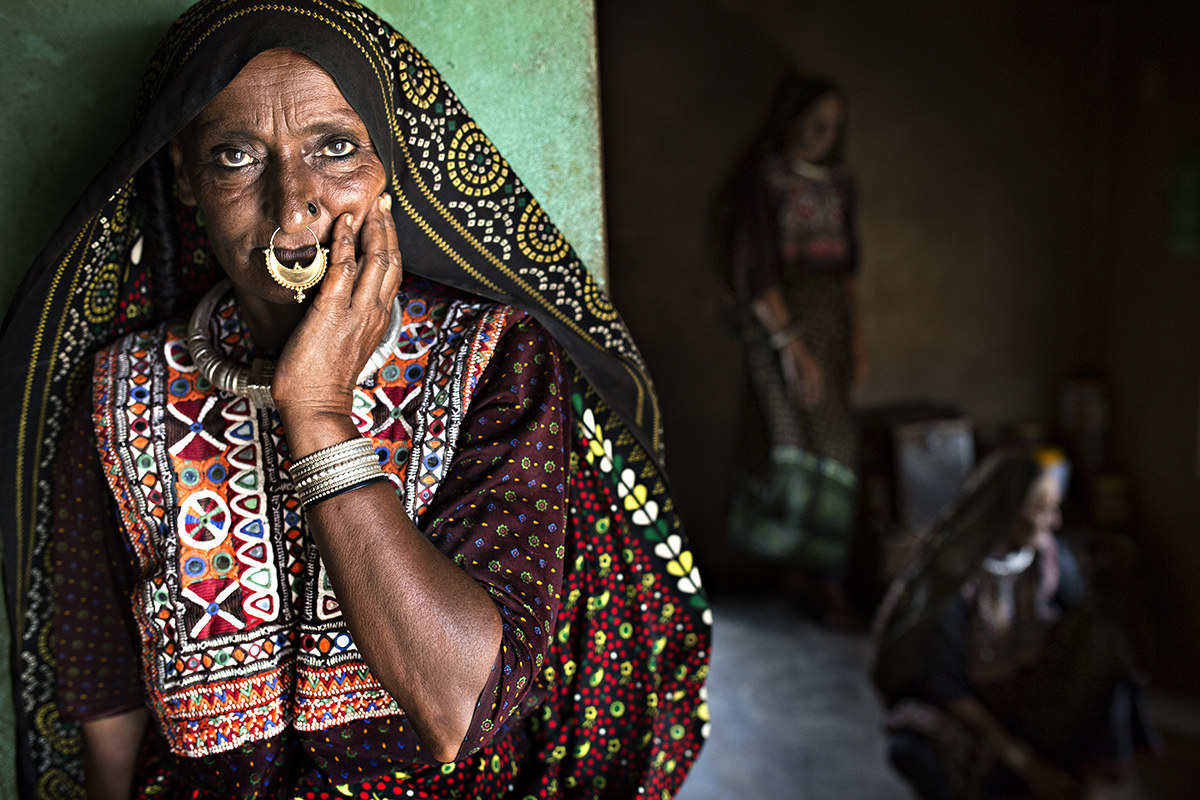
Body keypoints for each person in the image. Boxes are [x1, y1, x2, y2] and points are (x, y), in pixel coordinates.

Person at [0, 2, 710, 798]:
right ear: (185, 180)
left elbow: (455, 706)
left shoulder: (496, 360)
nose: (292, 203)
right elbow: (107, 685)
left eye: (335, 149)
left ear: (387, 169)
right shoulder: (117, 388)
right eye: (236, 156)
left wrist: (319, 415)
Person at [871, 449, 1159, 800]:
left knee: (1104, 648)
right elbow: (943, 684)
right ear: (1007, 512)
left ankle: (1086, 786)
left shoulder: (1048, 557)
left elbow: (1080, 628)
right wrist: (1022, 761)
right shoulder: (952, 575)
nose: (1054, 522)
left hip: (1029, 698)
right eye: (1043, 509)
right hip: (971, 713)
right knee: (912, 748)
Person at [719, 76, 865, 623]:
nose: (823, 135)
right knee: (794, 442)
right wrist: (790, 346)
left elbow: (847, 272)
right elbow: (755, 273)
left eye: (833, 126)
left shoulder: (841, 184)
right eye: (814, 122)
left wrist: (856, 341)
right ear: (792, 118)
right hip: (780, 321)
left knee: (836, 446)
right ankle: (805, 575)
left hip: (830, 323)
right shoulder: (764, 182)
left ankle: (816, 572)